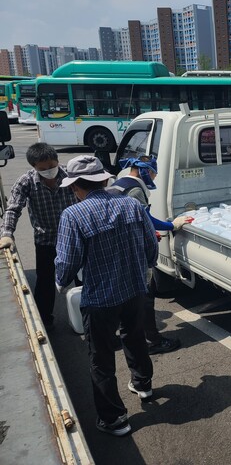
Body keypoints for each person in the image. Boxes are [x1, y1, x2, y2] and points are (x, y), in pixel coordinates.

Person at [55, 155, 158, 437]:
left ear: (76, 186)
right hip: (135, 289)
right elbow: (151, 244)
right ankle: (143, 385)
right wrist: (148, 267)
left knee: (100, 358)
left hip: (100, 298)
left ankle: (114, 418)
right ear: (103, 180)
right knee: (135, 337)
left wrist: (61, 283)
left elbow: (67, 261)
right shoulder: (131, 205)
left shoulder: (74, 215)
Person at [108, 155, 191, 354]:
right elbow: (146, 218)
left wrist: (148, 232)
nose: (154, 178)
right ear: (146, 171)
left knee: (123, 297)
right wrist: (172, 225)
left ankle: (116, 337)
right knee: (144, 296)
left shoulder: (119, 183)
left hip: (117, 247)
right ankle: (152, 340)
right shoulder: (135, 190)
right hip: (133, 252)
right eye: (154, 173)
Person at [0, 143, 77, 328]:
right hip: (46, 239)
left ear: (57, 161)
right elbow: (13, 208)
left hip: (75, 238)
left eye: (52, 166)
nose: (49, 171)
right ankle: (44, 319)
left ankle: (90, 316)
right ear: (34, 167)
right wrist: (7, 233)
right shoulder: (26, 181)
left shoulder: (71, 176)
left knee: (84, 277)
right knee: (45, 280)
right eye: (43, 169)